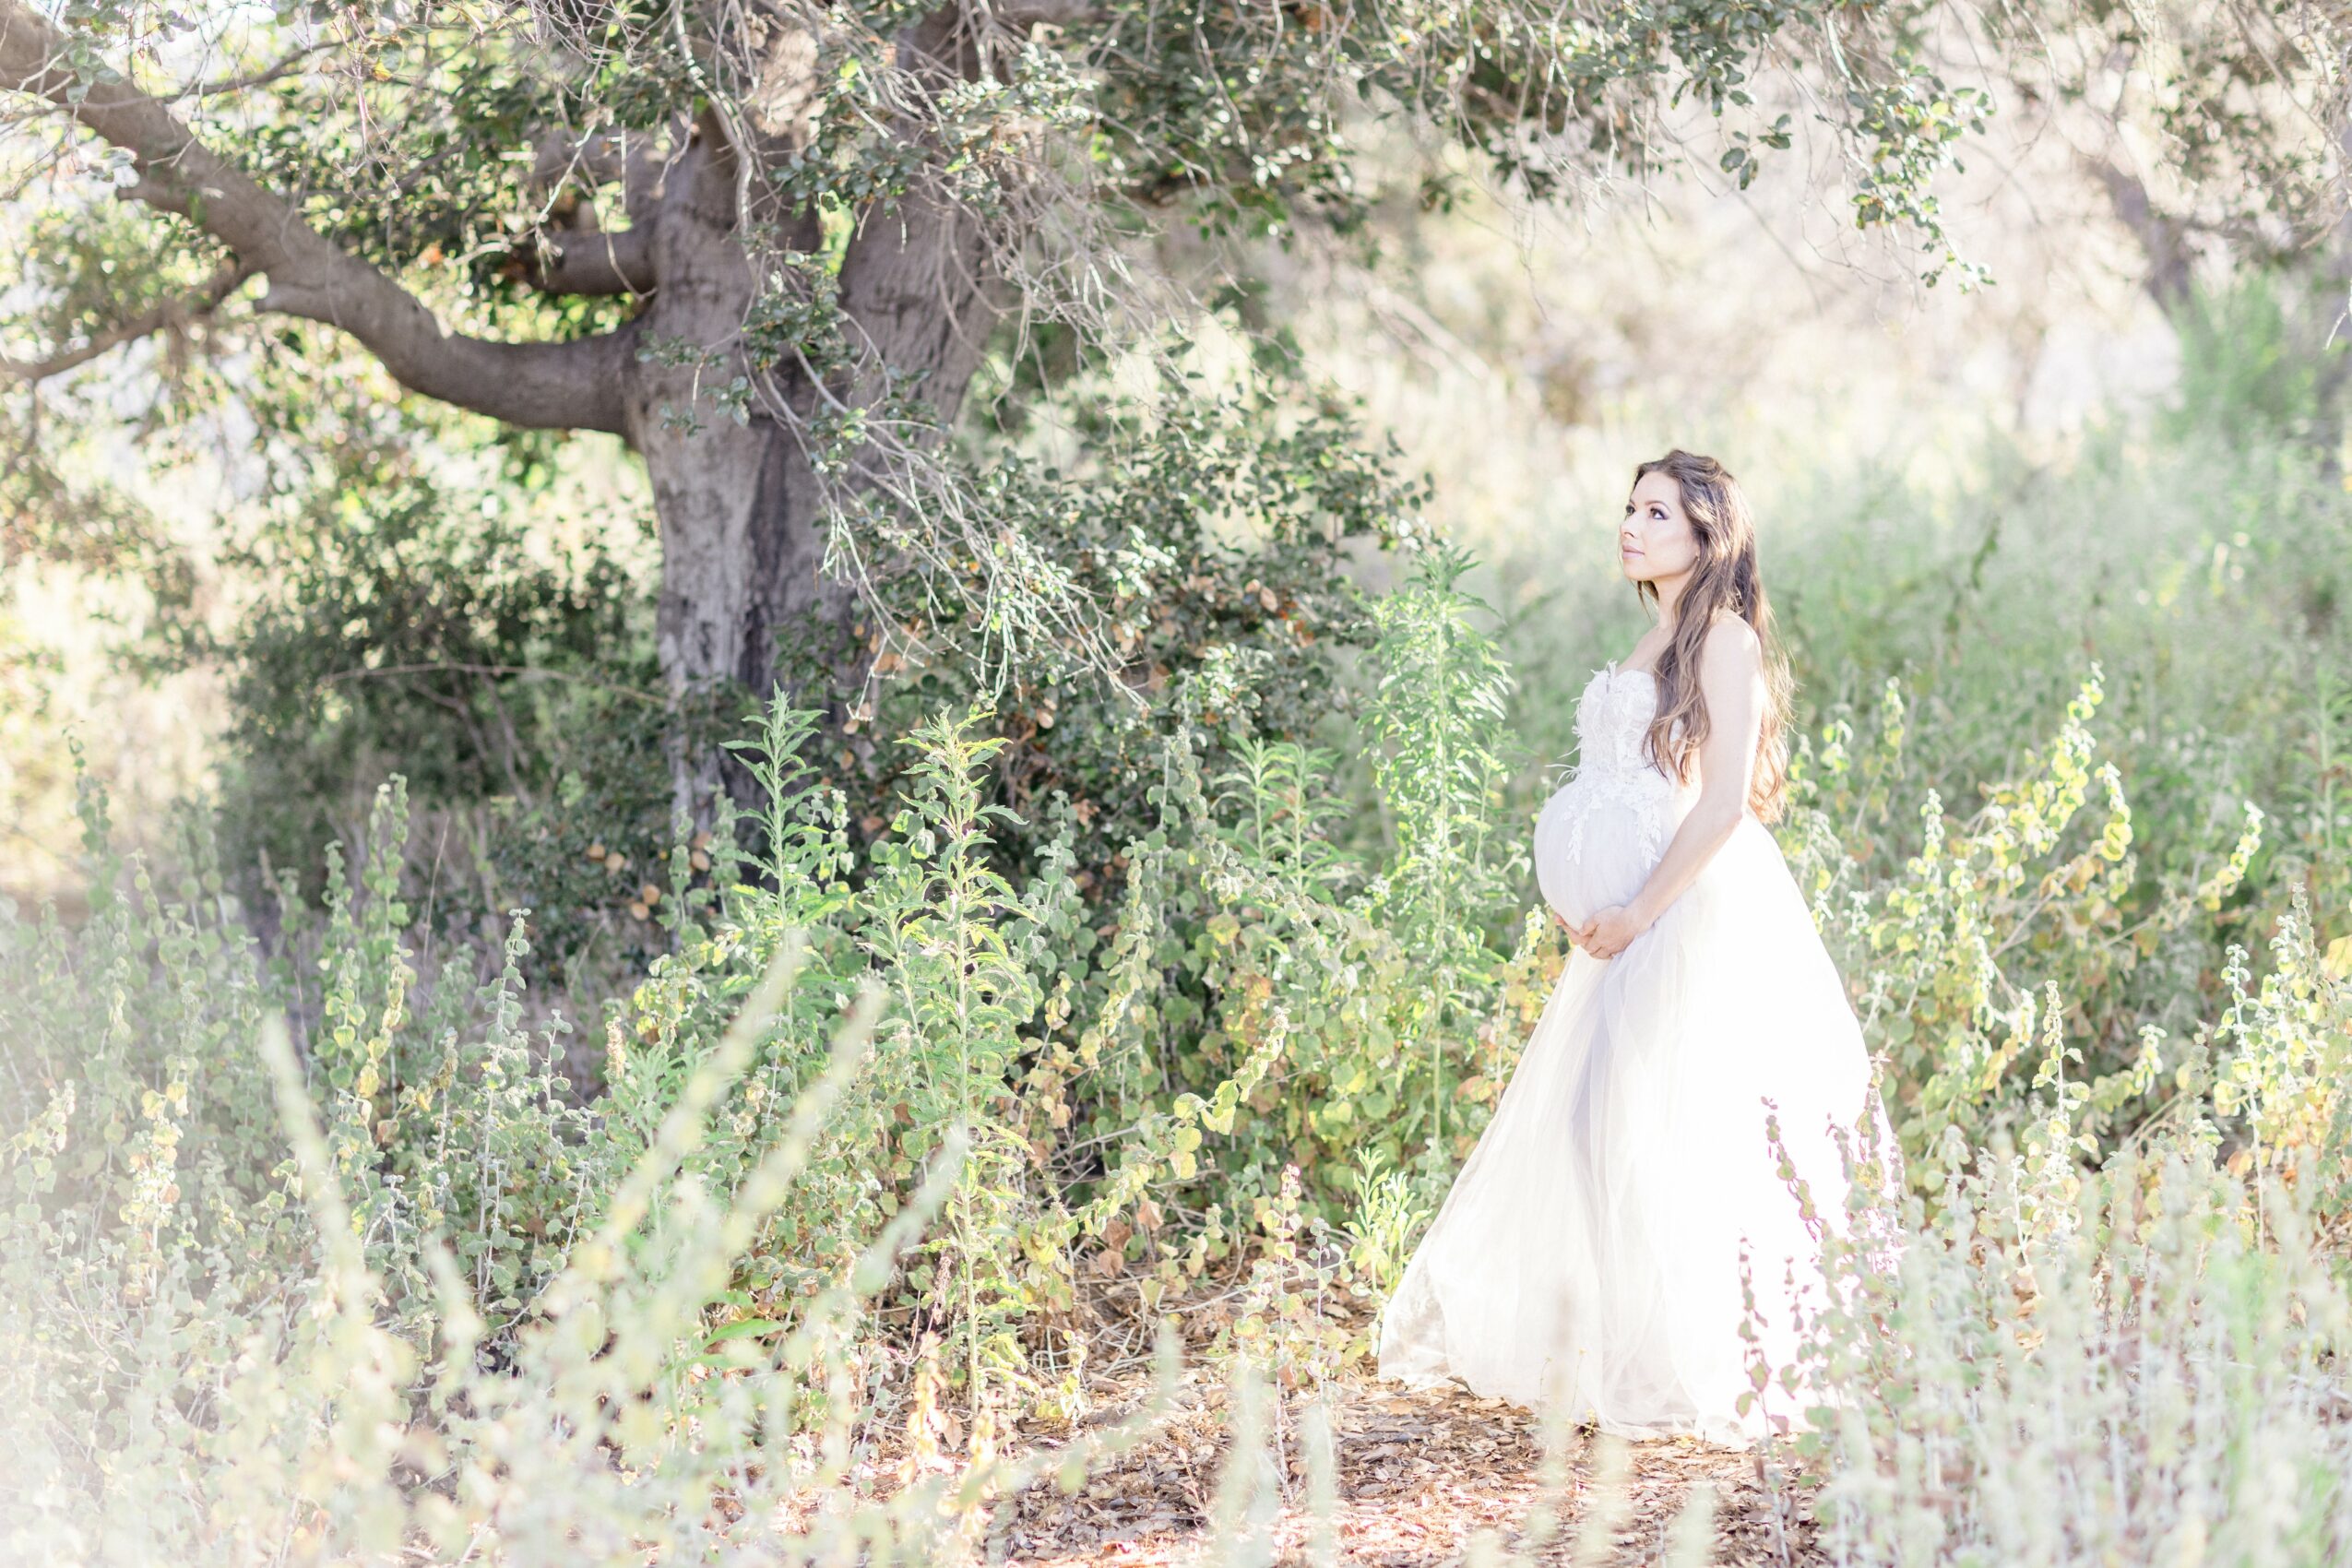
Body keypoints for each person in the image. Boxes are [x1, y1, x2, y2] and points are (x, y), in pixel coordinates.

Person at [1375, 448, 1902, 1446]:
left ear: (1709, 536)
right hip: (1621, 927)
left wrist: (1641, 907)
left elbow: (1723, 805)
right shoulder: (1656, 630)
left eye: (1657, 513)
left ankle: (1692, 1349)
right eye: (1630, 508)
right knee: (1596, 1124)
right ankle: (1623, 1339)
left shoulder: (1727, 641)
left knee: (1653, 1122)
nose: (1631, 524)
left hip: (1685, 913)